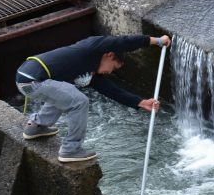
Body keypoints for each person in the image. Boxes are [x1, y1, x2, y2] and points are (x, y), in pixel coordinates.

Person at [15, 34, 172, 163]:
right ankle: (71, 150)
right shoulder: (93, 47)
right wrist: (157, 41)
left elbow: (111, 91)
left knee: (65, 95)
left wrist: (140, 102)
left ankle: (36, 126)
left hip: (27, 79)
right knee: (79, 101)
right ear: (110, 55)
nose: (110, 72)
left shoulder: (89, 69)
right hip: (33, 79)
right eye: (114, 67)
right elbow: (123, 42)